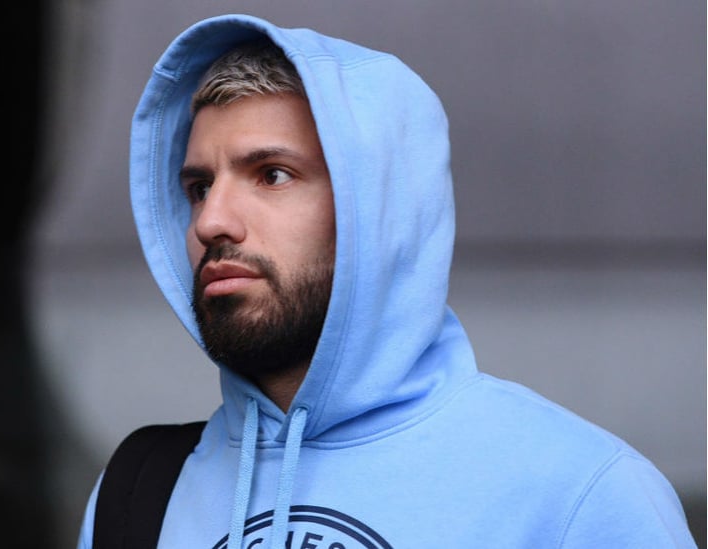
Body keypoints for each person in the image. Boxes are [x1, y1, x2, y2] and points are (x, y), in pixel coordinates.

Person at [77, 14, 695, 548]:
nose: (212, 220)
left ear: (380, 211)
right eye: (198, 187)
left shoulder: (577, 495)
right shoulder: (143, 491)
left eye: (271, 175)